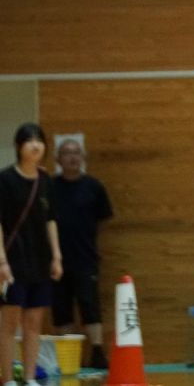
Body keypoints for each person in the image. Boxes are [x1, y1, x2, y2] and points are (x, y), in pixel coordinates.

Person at [0, 123, 63, 386]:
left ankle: (29, 378)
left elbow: (51, 220)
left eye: (39, 140)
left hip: (40, 261)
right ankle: (8, 380)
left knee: (34, 324)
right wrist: (1, 261)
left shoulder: (46, 180)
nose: (35, 145)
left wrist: (56, 256)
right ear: (19, 146)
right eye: (29, 141)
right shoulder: (4, 180)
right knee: (8, 325)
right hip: (13, 261)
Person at [51, 137, 113, 369]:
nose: (72, 157)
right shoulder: (49, 187)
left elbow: (103, 219)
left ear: (83, 158)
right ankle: (69, 360)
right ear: (58, 159)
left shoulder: (94, 187)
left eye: (77, 152)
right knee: (62, 309)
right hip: (56, 261)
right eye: (67, 153)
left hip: (86, 259)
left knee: (90, 306)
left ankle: (97, 352)